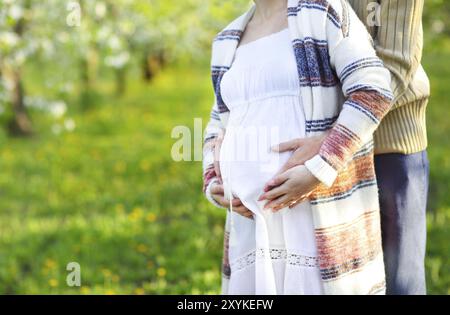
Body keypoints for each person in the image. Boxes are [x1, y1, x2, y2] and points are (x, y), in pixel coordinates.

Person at [202, 0, 393, 294]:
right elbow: (218, 121)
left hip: (315, 215)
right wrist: (214, 179)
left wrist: (320, 167)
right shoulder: (227, 39)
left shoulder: (321, 10)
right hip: (251, 227)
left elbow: (373, 90)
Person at [261, 0, 430, 295]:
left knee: (398, 278)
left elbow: (397, 63)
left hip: (389, 147)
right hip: (317, 150)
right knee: (342, 280)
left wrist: (333, 136)